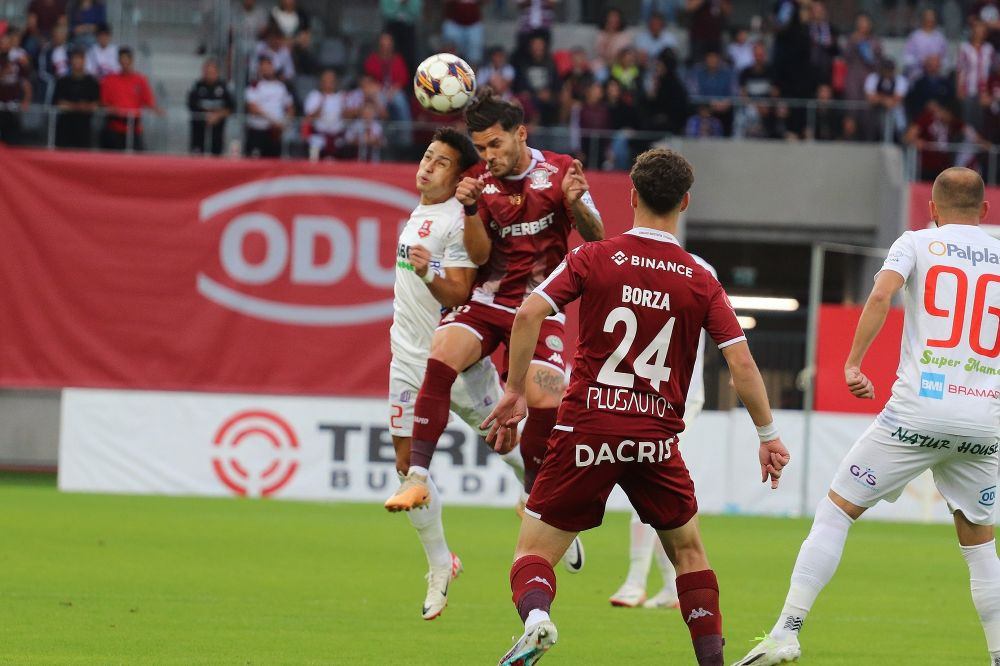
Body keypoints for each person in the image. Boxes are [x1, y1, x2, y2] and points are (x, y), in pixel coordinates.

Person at [482, 147, 790, 666]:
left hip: (588, 426)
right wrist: (767, 436)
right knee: (689, 553)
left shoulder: (594, 256)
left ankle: (538, 621)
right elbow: (741, 365)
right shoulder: (700, 276)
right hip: (654, 435)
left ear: (631, 196)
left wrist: (514, 390)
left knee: (533, 553)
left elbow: (529, 313)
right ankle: (712, 662)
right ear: (685, 202)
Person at [733, 167, 1000, 665]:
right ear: (985, 212)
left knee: (836, 511)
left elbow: (881, 294)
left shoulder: (917, 242)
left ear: (933, 209)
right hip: (981, 421)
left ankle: (786, 632)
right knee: (981, 546)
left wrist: (852, 362)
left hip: (917, 412)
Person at [384, 89, 606, 575]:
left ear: (520, 134)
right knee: (443, 350)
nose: (488, 157)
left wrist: (577, 205)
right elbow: (481, 257)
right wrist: (468, 210)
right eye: (481, 148)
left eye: (496, 145)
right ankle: (418, 473)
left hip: (541, 305)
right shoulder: (479, 182)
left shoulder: (562, 170)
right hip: (488, 299)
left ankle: (533, 499)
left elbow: (596, 239)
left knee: (546, 398)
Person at [387, 127, 526, 621]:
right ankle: (440, 564)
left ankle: (541, 503)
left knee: (512, 448)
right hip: (406, 360)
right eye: (427, 156)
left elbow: (460, 295)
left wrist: (428, 272)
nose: (427, 166)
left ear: (459, 175)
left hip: (456, 361)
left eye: (441, 162)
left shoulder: (456, 222)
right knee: (407, 468)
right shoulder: (418, 213)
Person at [609, 252, 718, 609]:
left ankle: (636, 580)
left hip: (676, 401)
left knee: (648, 486)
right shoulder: (693, 269)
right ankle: (671, 583)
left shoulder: (699, 269)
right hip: (640, 396)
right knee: (657, 491)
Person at [99, 46, 161, 150]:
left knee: (138, 161)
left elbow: (148, 101)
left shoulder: (140, 80)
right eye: (122, 59)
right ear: (118, 61)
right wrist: (115, 110)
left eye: (127, 59)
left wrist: (156, 109)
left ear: (132, 60)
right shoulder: (109, 80)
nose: (124, 62)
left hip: (134, 129)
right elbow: (103, 102)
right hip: (115, 128)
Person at [244, 54, 292, 158]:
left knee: (273, 161)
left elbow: (290, 107)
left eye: (268, 65)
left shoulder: (281, 86)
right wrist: (273, 120)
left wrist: (285, 122)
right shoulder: (254, 85)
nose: (266, 69)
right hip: (257, 130)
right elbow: (252, 108)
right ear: (259, 68)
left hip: (274, 132)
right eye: (263, 66)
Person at [53, 47, 98, 148]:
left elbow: (94, 106)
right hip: (65, 129)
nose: (77, 61)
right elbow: (59, 104)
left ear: (85, 61)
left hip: (84, 129)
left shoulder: (92, 82)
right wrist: (80, 106)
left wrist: (71, 106)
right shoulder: (62, 81)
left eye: (80, 58)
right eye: (75, 58)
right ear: (70, 61)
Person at [187, 57, 234, 155]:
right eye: (207, 72)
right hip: (199, 131)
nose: (209, 75)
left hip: (217, 131)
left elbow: (232, 106)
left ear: (217, 72)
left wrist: (217, 115)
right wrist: (206, 115)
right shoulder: (196, 86)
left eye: (212, 72)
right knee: (197, 156)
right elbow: (191, 105)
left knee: (216, 156)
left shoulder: (223, 87)